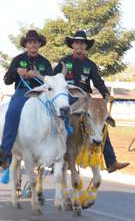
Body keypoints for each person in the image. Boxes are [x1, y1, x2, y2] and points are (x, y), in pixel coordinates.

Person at [53, 30, 129, 173]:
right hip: (67, 97)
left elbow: (98, 82)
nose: (79, 45)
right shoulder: (64, 62)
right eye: (77, 42)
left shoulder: (90, 65)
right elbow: (54, 79)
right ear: (72, 45)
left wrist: (106, 94)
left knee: (101, 124)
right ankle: (58, 157)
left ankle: (111, 162)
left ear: (86, 46)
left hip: (85, 99)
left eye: (82, 43)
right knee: (59, 121)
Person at [0, 30, 52, 167]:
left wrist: (37, 75)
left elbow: (50, 82)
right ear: (26, 45)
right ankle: (5, 151)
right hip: (23, 91)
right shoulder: (18, 60)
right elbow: (7, 80)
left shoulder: (45, 62)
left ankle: (53, 151)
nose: (33, 45)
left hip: (40, 93)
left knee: (54, 112)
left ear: (39, 44)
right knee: (12, 111)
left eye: (35, 42)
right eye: (30, 42)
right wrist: (16, 72)